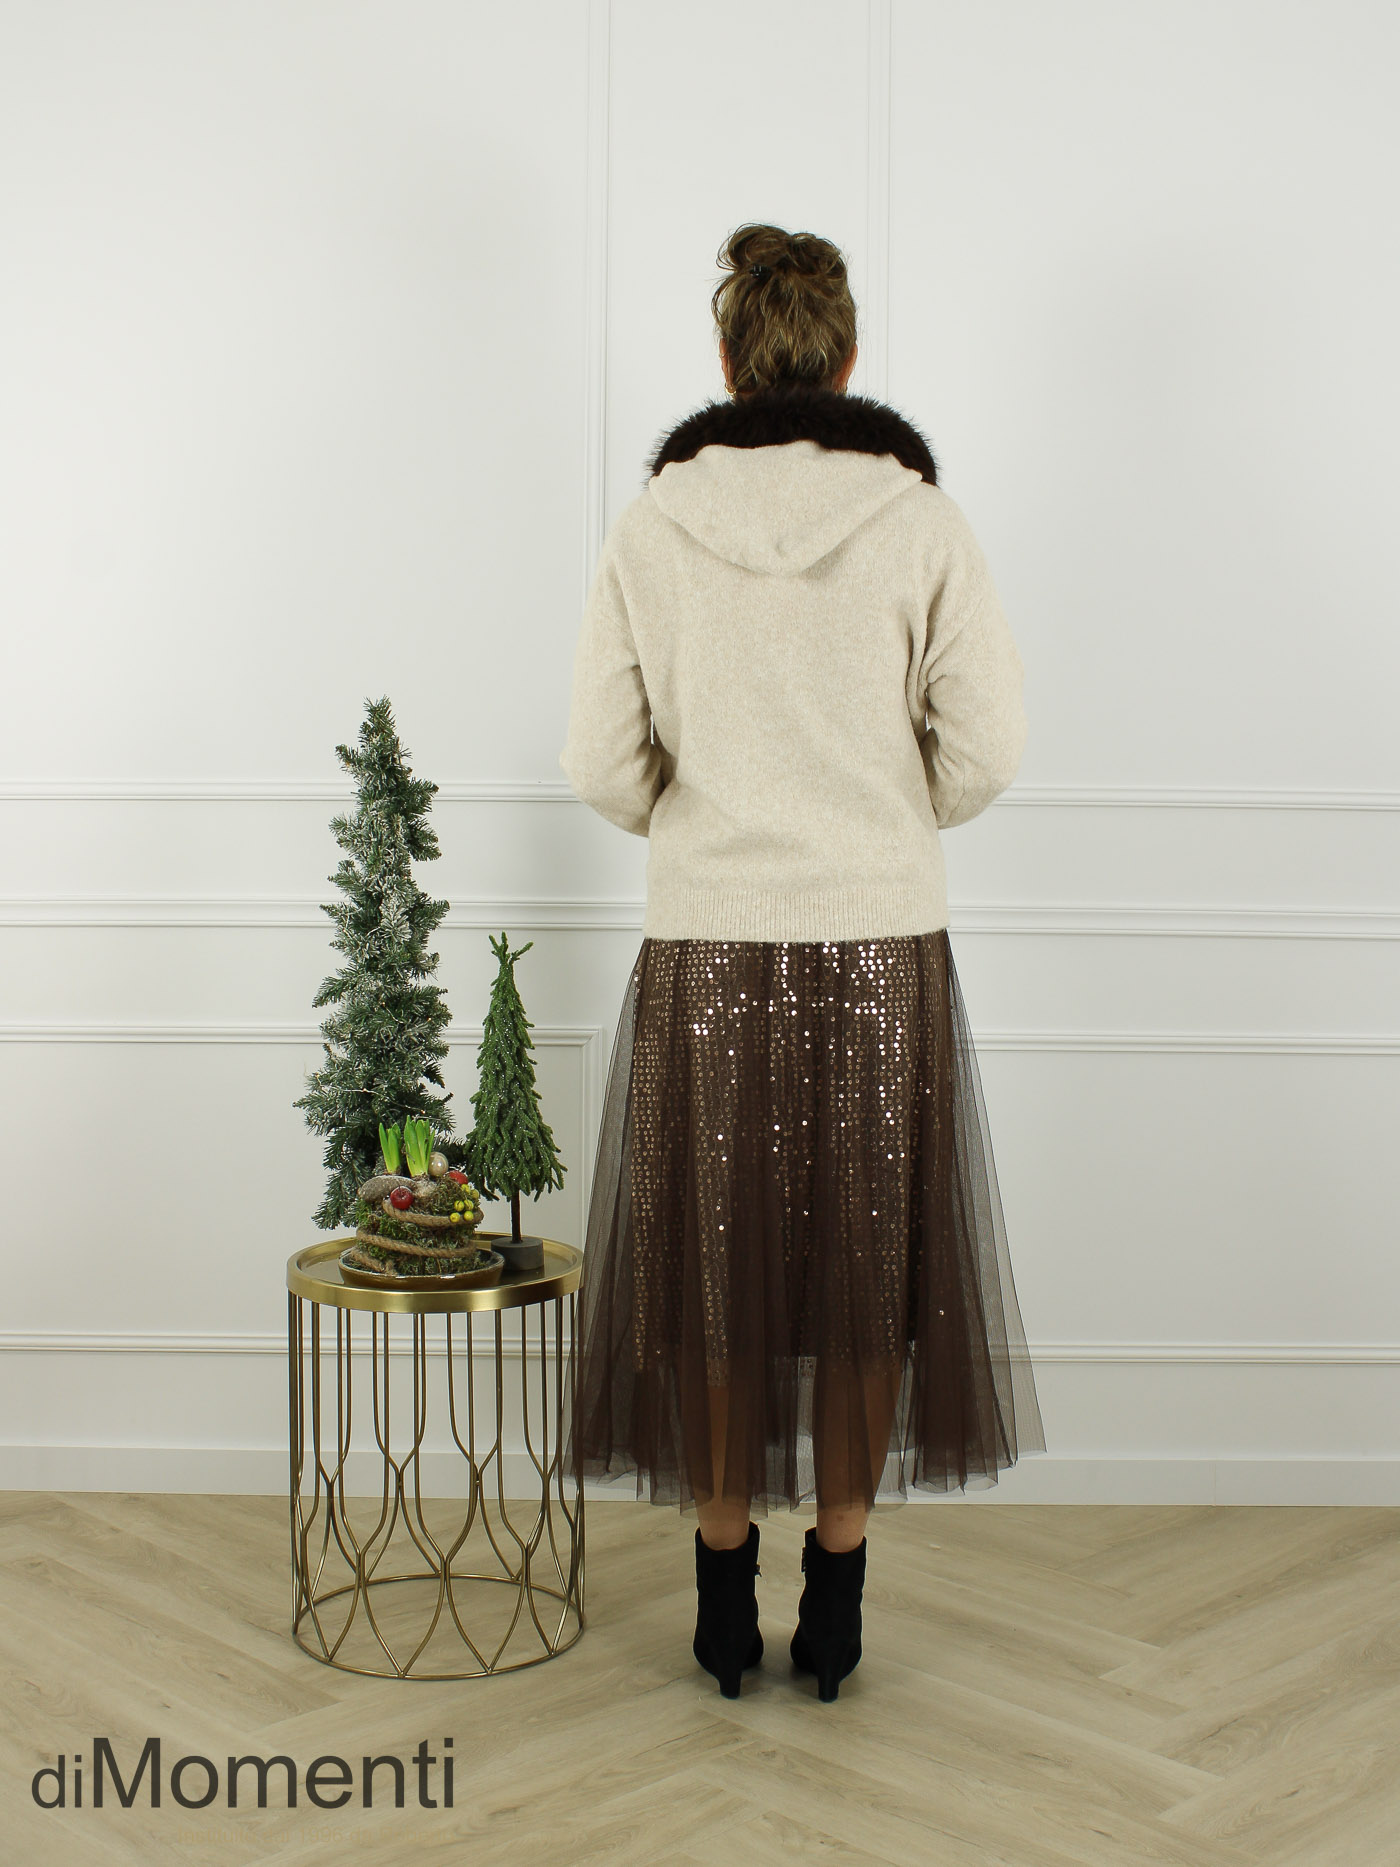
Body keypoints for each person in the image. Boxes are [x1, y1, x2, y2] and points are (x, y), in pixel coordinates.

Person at [559, 220, 1046, 1702]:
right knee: (865, 1279)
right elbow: (988, 750)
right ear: (844, 361)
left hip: (709, 945)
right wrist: (885, 814)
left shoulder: (654, 526)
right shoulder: (919, 521)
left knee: (712, 1277)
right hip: (880, 945)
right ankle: (835, 1602)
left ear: (728, 361)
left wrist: (699, 819)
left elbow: (600, 764)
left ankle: (723, 1601)